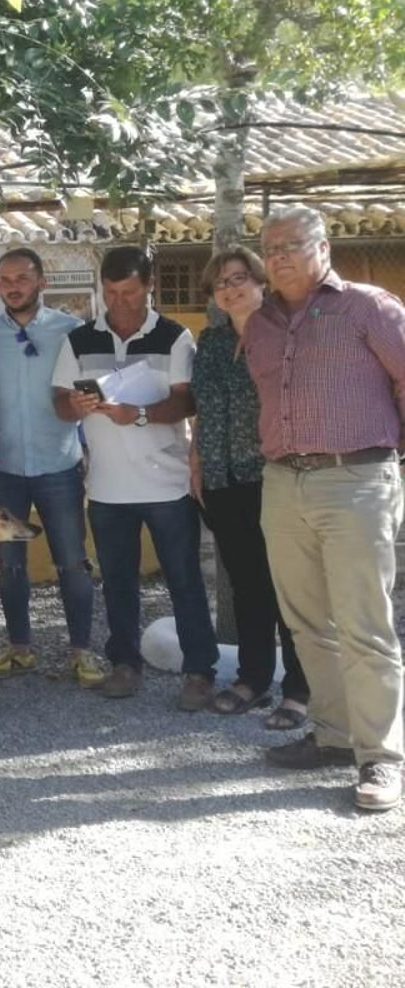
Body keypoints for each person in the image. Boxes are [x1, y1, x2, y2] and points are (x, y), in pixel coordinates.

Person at [244, 206, 405, 812]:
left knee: (365, 624)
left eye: (291, 244)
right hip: (284, 481)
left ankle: (382, 758)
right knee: (308, 622)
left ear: (323, 246)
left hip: (355, 477)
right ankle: (335, 735)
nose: (279, 254)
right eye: (270, 246)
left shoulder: (369, 306)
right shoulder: (259, 322)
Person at [52, 245, 218, 709]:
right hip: (107, 487)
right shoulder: (80, 339)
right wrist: (76, 406)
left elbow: (188, 401)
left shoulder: (175, 336)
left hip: (167, 484)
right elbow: (59, 403)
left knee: (183, 580)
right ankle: (125, 665)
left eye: (129, 292)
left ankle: (199, 672)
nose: (119, 302)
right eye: (110, 293)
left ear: (150, 287)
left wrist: (140, 414)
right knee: (119, 581)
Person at [0, 248, 105, 689]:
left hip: (59, 465)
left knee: (72, 563)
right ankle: (19, 648)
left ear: (42, 282)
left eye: (22, 278)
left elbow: (90, 394)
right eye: (5, 279)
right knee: (9, 565)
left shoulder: (72, 332)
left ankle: (82, 652)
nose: (13, 286)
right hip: (3, 467)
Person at [190, 247, 309, 728]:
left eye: (240, 278)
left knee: (288, 586)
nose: (230, 288)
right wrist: (196, 459)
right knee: (246, 586)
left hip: (272, 475)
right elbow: (203, 405)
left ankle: (299, 689)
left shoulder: (284, 336)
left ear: (262, 283)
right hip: (221, 479)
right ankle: (254, 677)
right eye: (221, 282)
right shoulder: (212, 341)